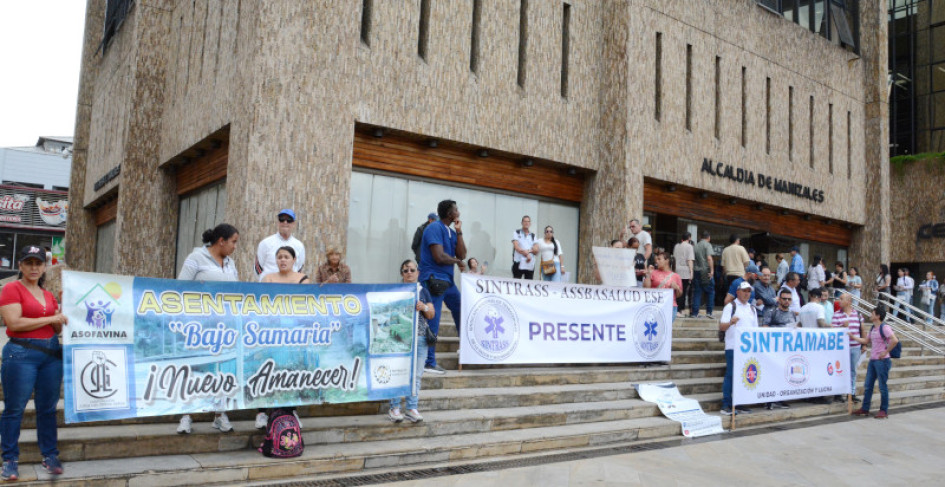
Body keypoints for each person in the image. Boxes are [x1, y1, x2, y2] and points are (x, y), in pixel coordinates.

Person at [0, 246, 69, 480]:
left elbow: (57, 327)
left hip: (50, 354)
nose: (33, 267)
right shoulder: (11, 288)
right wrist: (51, 317)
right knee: (14, 409)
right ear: (20, 265)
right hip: (21, 353)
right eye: (28, 263)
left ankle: (49, 455)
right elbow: (14, 323)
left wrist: (64, 308)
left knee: (48, 410)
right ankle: (9, 459)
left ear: (44, 267)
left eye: (38, 263)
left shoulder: (48, 294)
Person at [177, 224, 240, 434]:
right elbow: (180, 288)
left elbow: (237, 291)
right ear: (221, 241)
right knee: (194, 370)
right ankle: (186, 416)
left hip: (223, 327)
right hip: (198, 326)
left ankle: (219, 415)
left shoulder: (231, 263)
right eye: (233, 242)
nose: (234, 247)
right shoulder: (196, 258)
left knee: (221, 370)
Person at [256, 246, 309, 429]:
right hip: (271, 331)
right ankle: (262, 412)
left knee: (291, 369)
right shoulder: (268, 278)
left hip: (294, 333)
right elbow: (261, 302)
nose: (282, 260)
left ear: (295, 260)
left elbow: (309, 305)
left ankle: (290, 411)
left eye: (286, 257)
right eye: (279, 257)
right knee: (267, 368)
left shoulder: (302, 280)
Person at [419, 199, 466, 374]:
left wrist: (459, 232)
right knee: (433, 319)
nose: (458, 212)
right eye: (456, 210)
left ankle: (467, 348)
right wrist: (457, 261)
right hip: (433, 279)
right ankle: (428, 361)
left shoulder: (452, 232)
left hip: (447, 281)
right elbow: (439, 256)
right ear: (449, 213)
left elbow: (462, 254)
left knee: (462, 309)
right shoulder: (434, 228)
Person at [388, 259, 435, 423]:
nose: (409, 273)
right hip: (400, 337)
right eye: (405, 270)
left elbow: (432, 314)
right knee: (396, 372)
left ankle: (411, 407)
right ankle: (394, 407)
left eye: (412, 270)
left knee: (416, 375)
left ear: (418, 272)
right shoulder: (395, 291)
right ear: (401, 274)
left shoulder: (424, 291)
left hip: (420, 337)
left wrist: (424, 307)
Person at [851, 306, 899, 419]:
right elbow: (866, 341)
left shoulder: (885, 327)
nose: (870, 315)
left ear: (878, 316)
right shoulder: (873, 328)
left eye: (872, 313)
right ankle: (865, 408)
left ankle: (883, 410)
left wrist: (886, 352)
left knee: (882, 386)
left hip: (882, 361)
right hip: (873, 360)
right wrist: (853, 337)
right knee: (868, 385)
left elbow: (895, 340)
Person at [719, 281, 758, 416]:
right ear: (738, 292)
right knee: (731, 374)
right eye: (744, 291)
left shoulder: (752, 309)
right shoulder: (730, 306)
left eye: (749, 291)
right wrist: (731, 322)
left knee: (742, 375)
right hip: (733, 346)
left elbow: (755, 330)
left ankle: (739, 402)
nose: (747, 293)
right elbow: (722, 327)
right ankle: (726, 404)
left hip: (747, 349)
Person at [255, 209, 305, 281]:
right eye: (282, 219)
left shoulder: (299, 246)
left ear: (293, 224)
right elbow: (258, 269)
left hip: (290, 288)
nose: (285, 222)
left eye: (289, 220)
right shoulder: (265, 243)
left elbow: (299, 268)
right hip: (268, 287)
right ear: (278, 222)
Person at [832, 293, 863, 403]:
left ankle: (852, 393)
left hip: (855, 347)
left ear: (849, 301)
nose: (838, 301)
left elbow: (862, 329)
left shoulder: (857, 314)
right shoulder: (836, 315)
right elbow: (833, 331)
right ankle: (838, 393)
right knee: (840, 370)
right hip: (841, 349)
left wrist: (864, 345)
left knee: (853, 370)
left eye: (841, 299)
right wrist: (841, 326)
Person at [643, 251, 683, 320]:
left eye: (659, 259)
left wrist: (677, 288)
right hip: (655, 305)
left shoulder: (676, 276)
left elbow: (679, 295)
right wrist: (649, 274)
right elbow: (646, 288)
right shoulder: (653, 272)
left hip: (670, 306)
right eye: (656, 259)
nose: (656, 261)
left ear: (666, 261)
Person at [690, 231, 715, 319]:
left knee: (697, 292)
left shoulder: (695, 246)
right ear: (708, 237)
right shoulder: (707, 245)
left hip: (696, 270)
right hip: (705, 270)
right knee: (710, 291)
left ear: (700, 237)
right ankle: (709, 312)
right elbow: (709, 258)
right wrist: (712, 270)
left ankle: (694, 313)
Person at [672, 233, 695, 318]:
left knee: (677, 291)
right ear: (689, 238)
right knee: (683, 291)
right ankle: (680, 310)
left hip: (677, 270)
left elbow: (674, 259)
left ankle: (676, 309)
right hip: (685, 271)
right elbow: (690, 260)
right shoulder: (689, 247)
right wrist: (691, 272)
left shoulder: (676, 246)